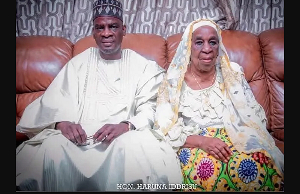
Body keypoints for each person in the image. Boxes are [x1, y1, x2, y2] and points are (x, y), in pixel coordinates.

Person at [16, 0, 182, 191]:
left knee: (139, 147)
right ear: (93, 32)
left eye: (112, 26)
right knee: (51, 147)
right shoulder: (78, 64)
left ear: (123, 29)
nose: (106, 33)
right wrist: (61, 123)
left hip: (123, 137)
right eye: (100, 27)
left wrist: (126, 125)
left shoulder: (143, 66)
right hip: (79, 140)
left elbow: (152, 107)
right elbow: (54, 101)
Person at [150, 18, 284, 191]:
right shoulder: (173, 81)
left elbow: (253, 118)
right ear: (188, 46)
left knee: (254, 166)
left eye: (212, 42)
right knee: (213, 172)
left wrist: (239, 141)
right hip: (194, 144)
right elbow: (163, 131)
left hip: (236, 137)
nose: (207, 49)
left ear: (218, 46)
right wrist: (202, 142)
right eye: (199, 42)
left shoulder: (233, 74)